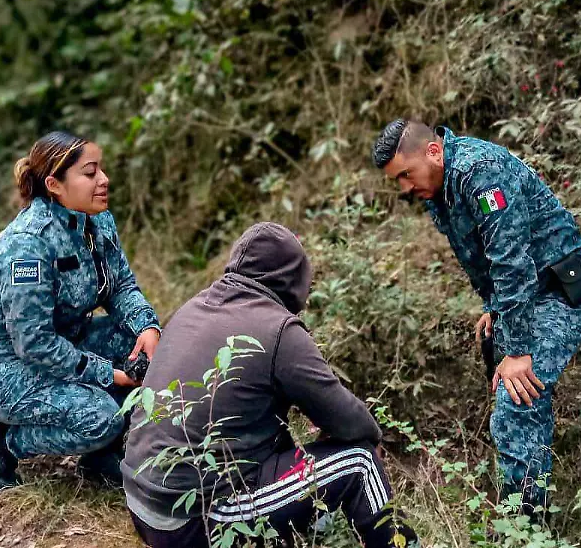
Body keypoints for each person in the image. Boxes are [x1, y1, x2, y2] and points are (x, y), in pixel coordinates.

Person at [122, 222, 418, 548]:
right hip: (196, 521)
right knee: (360, 463)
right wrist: (372, 436)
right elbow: (346, 418)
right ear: (294, 277)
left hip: (142, 503)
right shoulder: (279, 330)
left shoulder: (193, 307)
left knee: (276, 436)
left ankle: (315, 532)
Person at [372, 119, 581, 515]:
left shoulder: (480, 172)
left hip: (562, 289)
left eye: (406, 175)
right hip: (529, 292)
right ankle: (529, 492)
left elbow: (512, 261)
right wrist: (495, 308)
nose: (405, 188)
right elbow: (482, 253)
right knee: (508, 377)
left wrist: (518, 350)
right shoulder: (440, 186)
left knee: (515, 396)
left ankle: (524, 525)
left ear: (433, 151)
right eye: (398, 181)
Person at [0, 131, 161, 493]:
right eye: (90, 173)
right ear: (54, 185)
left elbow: (120, 286)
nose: (104, 180)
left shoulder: (98, 221)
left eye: (101, 170)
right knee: (100, 417)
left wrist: (147, 329)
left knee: (146, 349)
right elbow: (34, 343)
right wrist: (107, 375)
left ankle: (102, 456)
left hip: (62, 342)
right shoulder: (27, 245)